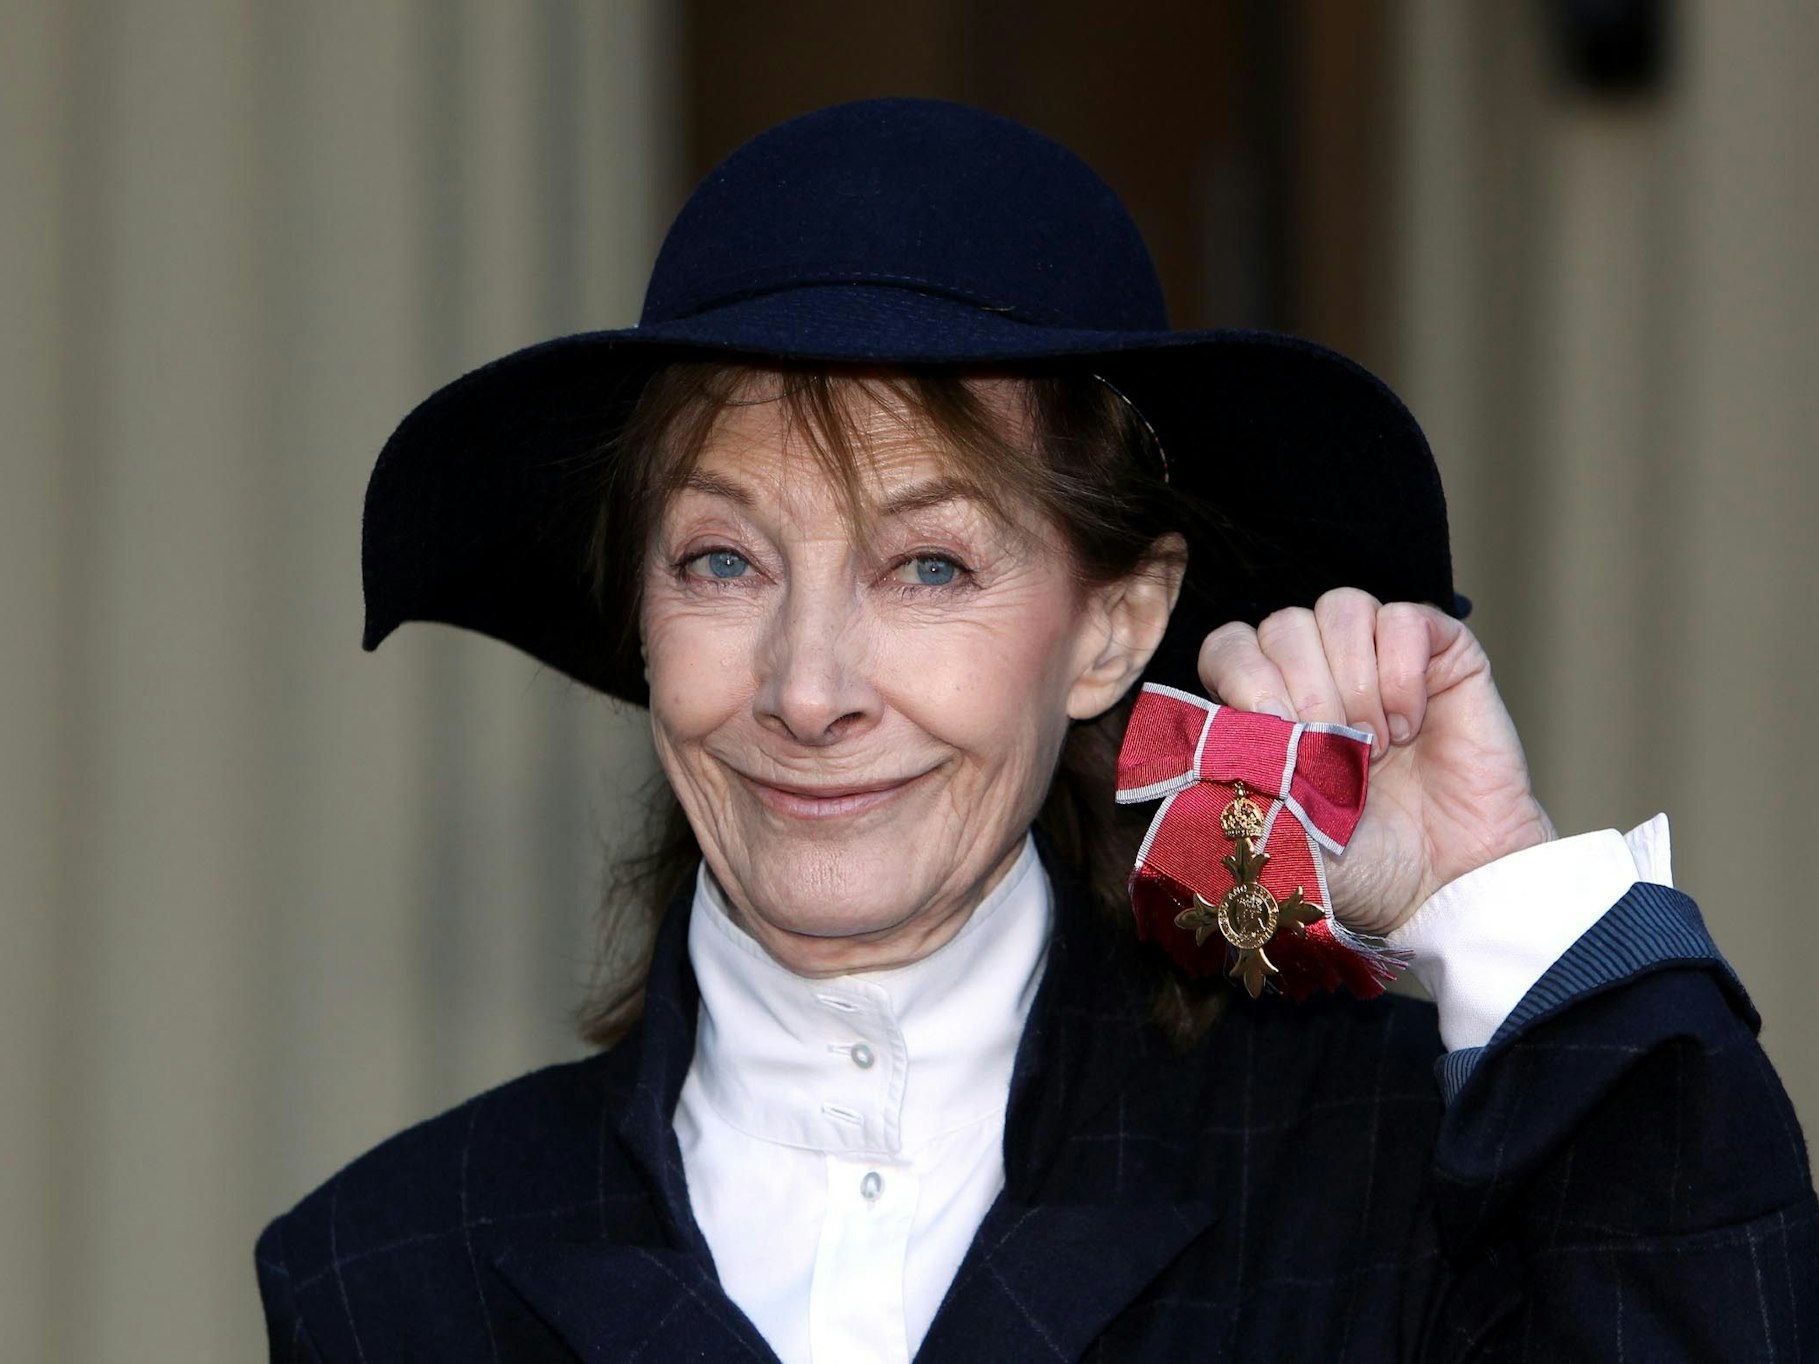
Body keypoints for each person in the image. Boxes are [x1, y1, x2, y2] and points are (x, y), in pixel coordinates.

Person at [255, 99, 1816, 1362]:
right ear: (645, 620)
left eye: (928, 566)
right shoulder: (391, 1272)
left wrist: (1492, 892)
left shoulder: (1375, 1176)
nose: (807, 688)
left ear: (1116, 626)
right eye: (722, 562)